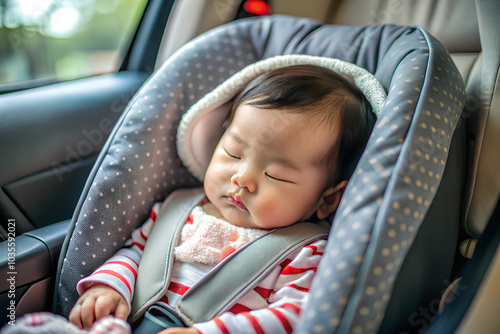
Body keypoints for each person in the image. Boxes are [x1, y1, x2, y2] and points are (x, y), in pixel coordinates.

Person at [68, 64, 377, 334]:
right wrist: (109, 287)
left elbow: (292, 318)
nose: (242, 178)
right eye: (233, 153)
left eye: (277, 175)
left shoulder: (305, 254)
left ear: (328, 200)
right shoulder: (175, 210)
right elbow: (135, 253)